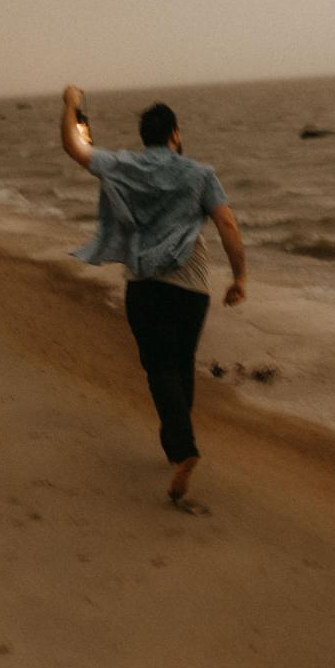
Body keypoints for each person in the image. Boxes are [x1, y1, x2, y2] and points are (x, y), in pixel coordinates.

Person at [59, 85, 247, 514]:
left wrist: (70, 105)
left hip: (145, 285)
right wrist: (240, 277)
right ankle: (175, 446)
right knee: (180, 366)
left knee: (159, 367)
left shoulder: (124, 165)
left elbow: (75, 146)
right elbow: (228, 224)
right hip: (193, 289)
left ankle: (183, 450)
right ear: (175, 135)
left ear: (145, 137)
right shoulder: (200, 174)